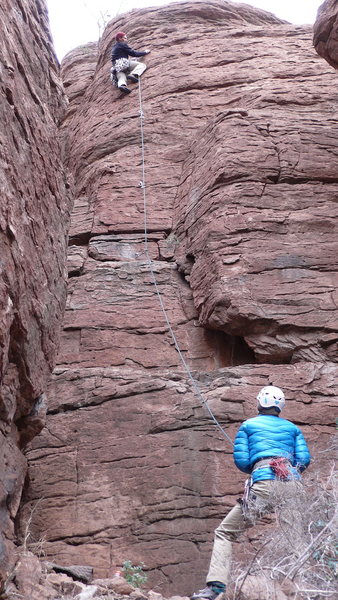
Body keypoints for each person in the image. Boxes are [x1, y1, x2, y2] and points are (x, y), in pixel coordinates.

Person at [191, 385, 311, 600]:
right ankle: (305, 590)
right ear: (280, 406)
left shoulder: (248, 426)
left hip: (263, 485)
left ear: (260, 402)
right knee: (295, 538)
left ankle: (214, 589)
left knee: (225, 532)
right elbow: (304, 460)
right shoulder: (293, 428)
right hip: (292, 485)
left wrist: (258, 468)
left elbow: (242, 461)